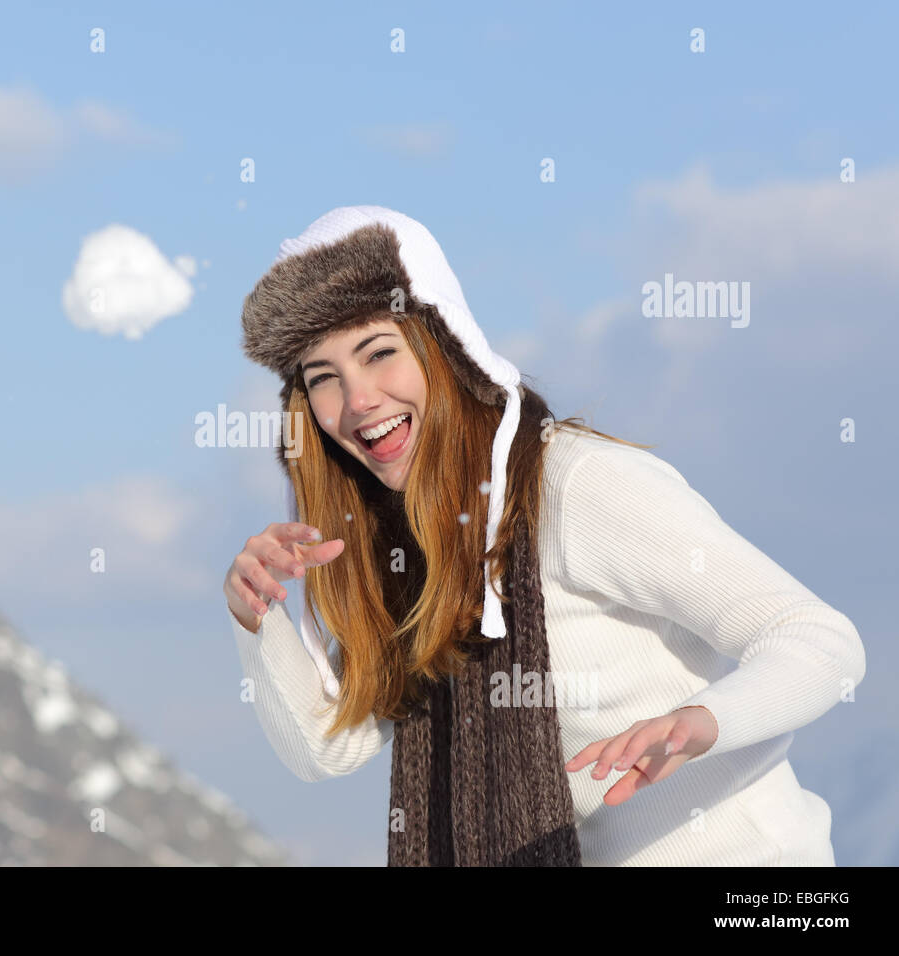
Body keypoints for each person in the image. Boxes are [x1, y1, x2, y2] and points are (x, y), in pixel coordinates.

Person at [223, 205, 865, 866]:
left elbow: (818, 641)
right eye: (323, 379)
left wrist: (703, 722)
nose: (356, 400)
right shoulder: (410, 547)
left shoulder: (578, 484)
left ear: (446, 346)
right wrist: (258, 613)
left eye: (379, 353)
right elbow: (325, 748)